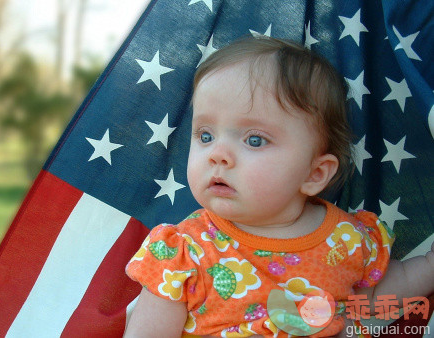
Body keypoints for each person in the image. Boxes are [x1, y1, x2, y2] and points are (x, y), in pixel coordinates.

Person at [124, 36, 434, 337]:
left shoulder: (346, 238)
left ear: (314, 174)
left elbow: (372, 301)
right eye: (205, 135)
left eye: (254, 140)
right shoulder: (185, 253)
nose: (217, 154)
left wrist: (429, 266)